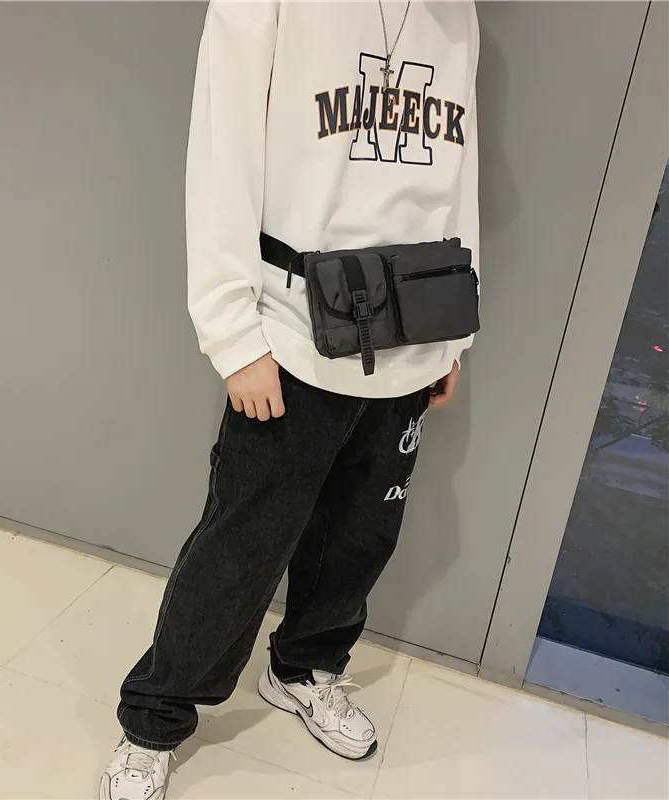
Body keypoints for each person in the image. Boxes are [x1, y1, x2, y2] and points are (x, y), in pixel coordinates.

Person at [101, 1, 479, 798]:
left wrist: (455, 334)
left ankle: (305, 667)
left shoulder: (456, 15)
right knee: (242, 543)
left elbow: (460, 175)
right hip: (291, 330)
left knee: (361, 537)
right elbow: (221, 160)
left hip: (413, 330)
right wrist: (233, 336)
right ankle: (155, 717)